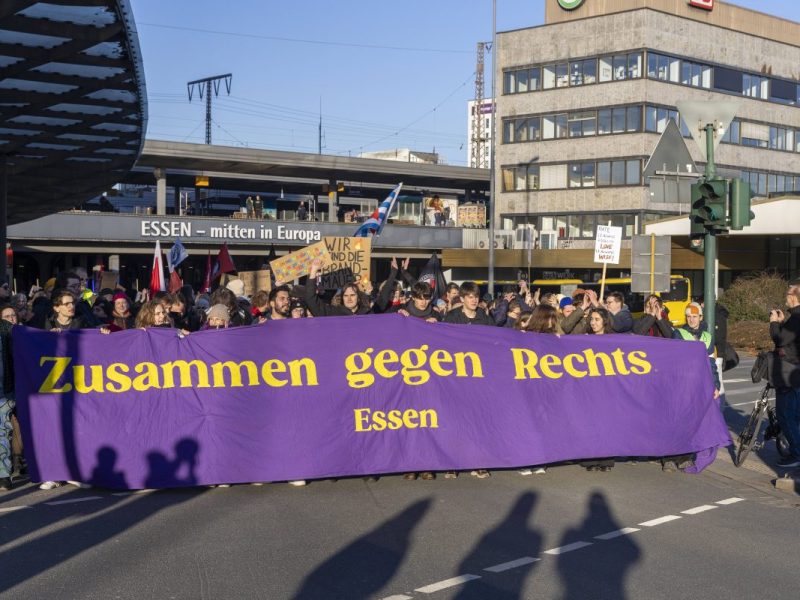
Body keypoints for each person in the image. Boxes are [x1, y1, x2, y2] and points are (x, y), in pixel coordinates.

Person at [443, 282, 493, 480]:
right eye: (470, 296)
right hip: (457, 377)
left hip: (479, 379)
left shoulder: (485, 319)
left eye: (476, 296)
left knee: (478, 421)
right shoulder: (452, 318)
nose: (474, 300)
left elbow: (495, 344)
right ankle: (452, 463)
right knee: (455, 420)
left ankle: (478, 462)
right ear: (462, 299)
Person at [665, 302, 721, 472]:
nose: (691, 319)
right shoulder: (678, 333)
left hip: (699, 385)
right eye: (688, 316)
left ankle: (686, 456)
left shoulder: (708, 337)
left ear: (701, 317)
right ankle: (669, 457)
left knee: (692, 422)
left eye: (694, 316)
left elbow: (711, 364)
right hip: (682, 383)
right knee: (676, 420)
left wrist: (715, 385)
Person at [769, 281, 800, 468]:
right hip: (795, 372)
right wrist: (782, 322)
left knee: (785, 414)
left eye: (788, 294)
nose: (786, 298)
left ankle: (796, 453)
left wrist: (773, 323)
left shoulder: (796, 318)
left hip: (789, 373)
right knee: (794, 415)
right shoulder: (794, 319)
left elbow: (780, 339)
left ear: (793, 297)